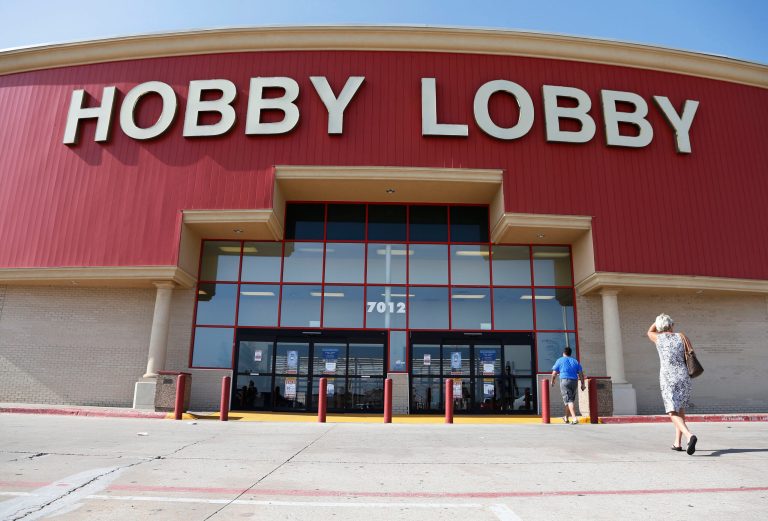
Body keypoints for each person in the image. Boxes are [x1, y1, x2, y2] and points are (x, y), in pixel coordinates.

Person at [647, 313, 697, 455]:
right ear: (671, 325)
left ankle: (689, 435)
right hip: (683, 376)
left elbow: (649, 331)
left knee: (671, 411)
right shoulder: (682, 336)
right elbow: (690, 353)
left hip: (668, 377)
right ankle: (677, 443)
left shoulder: (657, 337)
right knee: (680, 408)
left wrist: (656, 322)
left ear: (659, 326)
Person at [551, 347, 586, 424]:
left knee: (568, 400)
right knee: (570, 400)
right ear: (570, 353)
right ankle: (566, 417)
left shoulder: (560, 360)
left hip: (565, 381)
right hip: (574, 381)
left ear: (563, 353)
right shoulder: (575, 361)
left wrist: (552, 381)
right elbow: (581, 373)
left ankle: (574, 418)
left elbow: (554, 374)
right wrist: (583, 384)